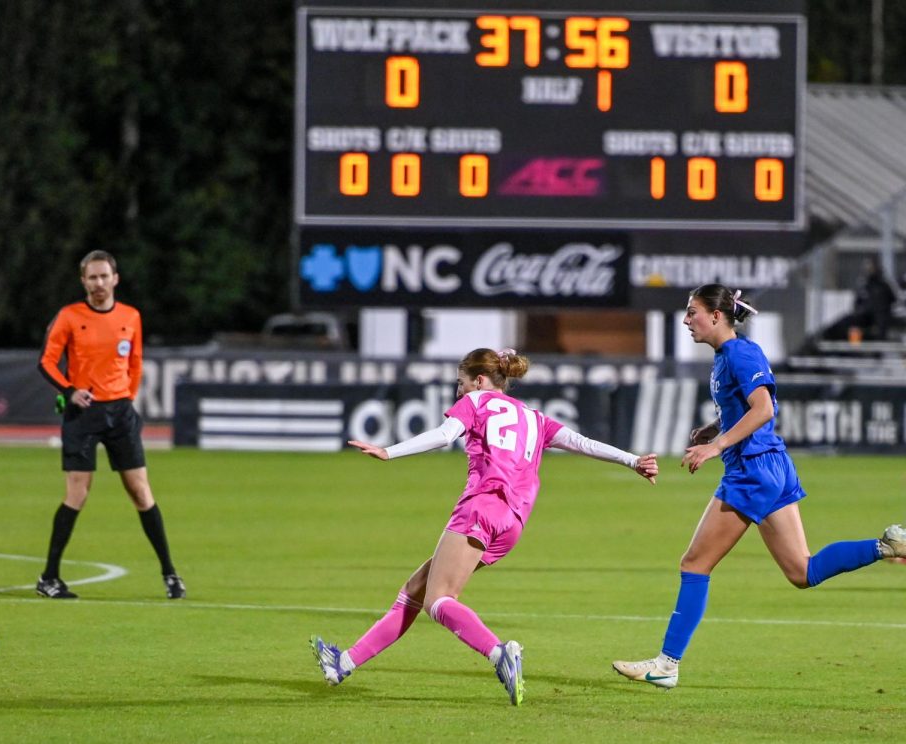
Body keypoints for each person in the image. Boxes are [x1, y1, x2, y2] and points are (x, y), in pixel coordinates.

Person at [310, 347, 660, 705]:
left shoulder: (476, 401)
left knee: (438, 600)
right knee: (416, 589)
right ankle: (343, 663)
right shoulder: (533, 416)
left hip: (481, 506)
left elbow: (445, 435)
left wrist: (390, 451)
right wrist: (632, 460)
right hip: (512, 522)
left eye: (460, 382)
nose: (458, 390)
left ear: (478, 380)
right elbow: (580, 443)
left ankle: (499, 652)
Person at [612, 284, 906, 690]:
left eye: (692, 312)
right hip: (772, 467)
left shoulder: (739, 352)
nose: (686, 320)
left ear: (717, 316)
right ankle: (886, 546)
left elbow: (764, 407)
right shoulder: (727, 356)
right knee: (802, 571)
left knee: (694, 564)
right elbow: (746, 407)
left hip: (753, 470)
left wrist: (716, 445)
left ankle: (667, 664)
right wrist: (715, 427)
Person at [36, 250, 185, 600]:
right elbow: (46, 361)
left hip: (119, 413)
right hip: (82, 415)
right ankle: (49, 578)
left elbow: (135, 363)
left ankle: (170, 574)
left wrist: (126, 399)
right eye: (92, 277)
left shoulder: (131, 316)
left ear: (115, 278)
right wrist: (69, 391)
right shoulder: (70, 316)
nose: (99, 283)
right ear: (83, 281)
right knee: (77, 494)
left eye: (104, 276)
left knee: (140, 492)